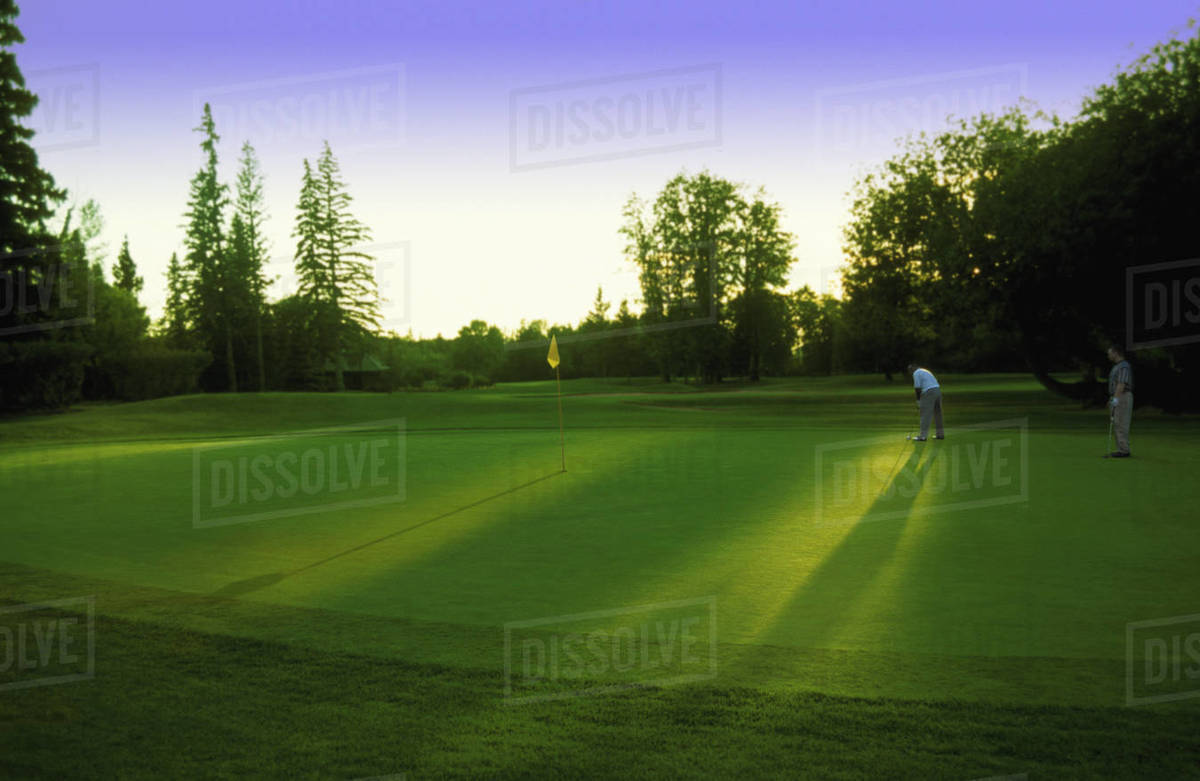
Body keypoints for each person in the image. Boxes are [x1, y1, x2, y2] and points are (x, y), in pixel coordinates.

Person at [1105, 345, 1134, 458]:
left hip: (1122, 396)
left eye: (1110, 353)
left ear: (1116, 353)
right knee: (1117, 422)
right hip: (1117, 396)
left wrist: (1115, 399)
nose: (1108, 355)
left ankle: (1124, 450)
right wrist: (1112, 398)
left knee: (1121, 422)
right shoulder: (1117, 366)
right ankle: (1121, 448)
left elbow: (1121, 384)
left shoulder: (1123, 366)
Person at [907, 363, 944, 442]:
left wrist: (918, 400)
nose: (910, 373)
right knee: (938, 414)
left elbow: (917, 388)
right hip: (937, 390)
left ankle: (922, 436)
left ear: (913, 369)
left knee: (925, 414)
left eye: (910, 370)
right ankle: (940, 434)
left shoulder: (916, 373)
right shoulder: (925, 371)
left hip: (929, 392)